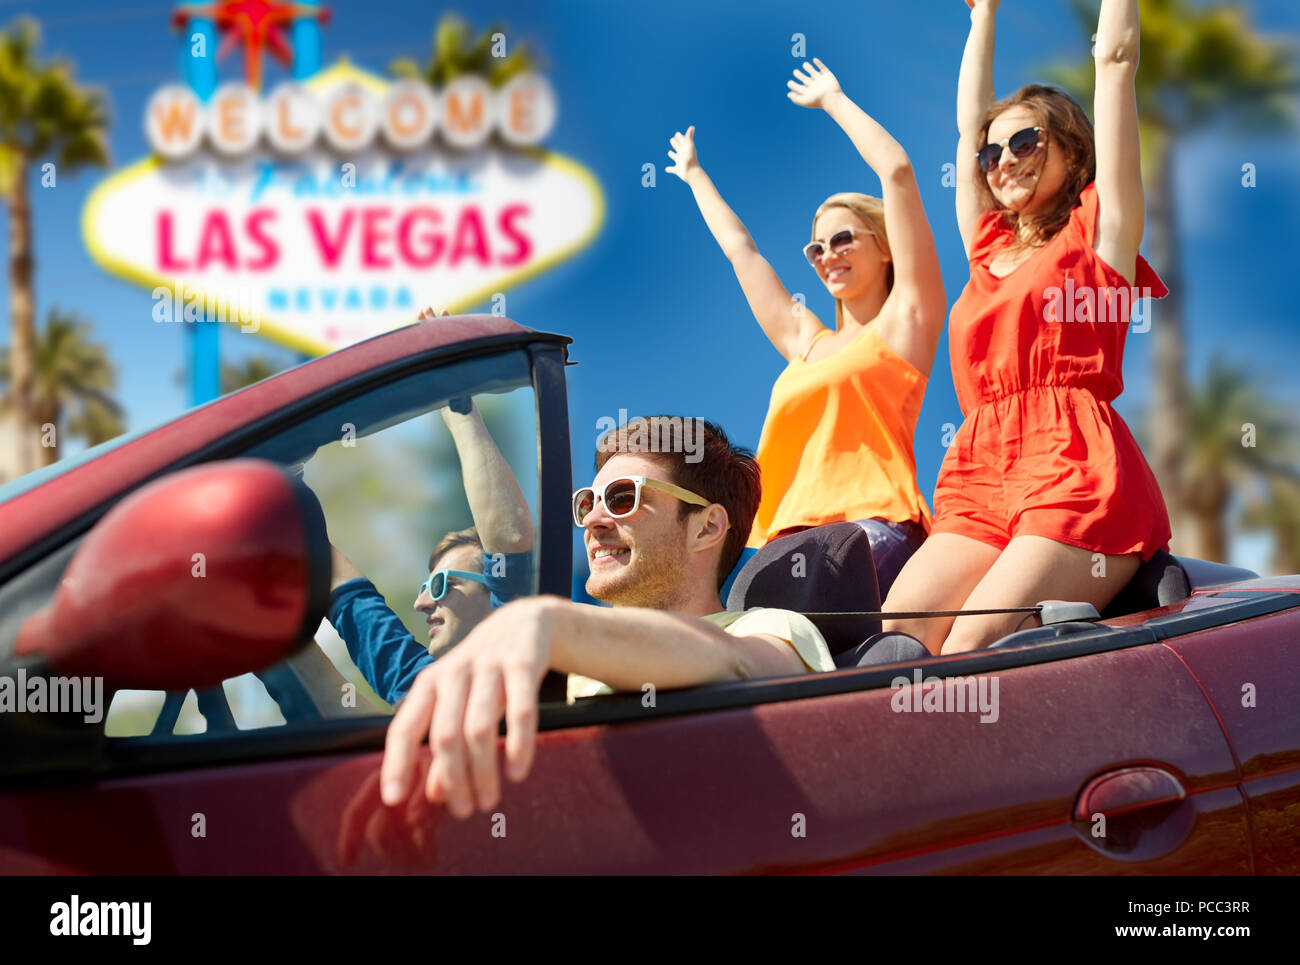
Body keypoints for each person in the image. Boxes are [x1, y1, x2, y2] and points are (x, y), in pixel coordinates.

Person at [882, 0, 1170, 655]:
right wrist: (982, 17)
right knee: (899, 632)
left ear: (1073, 150)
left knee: (973, 645)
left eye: (1025, 142)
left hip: (1073, 464)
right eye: (993, 152)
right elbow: (965, 130)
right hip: (981, 467)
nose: (1003, 160)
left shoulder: (1102, 232)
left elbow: (1117, 62)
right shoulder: (984, 245)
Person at [378, 416, 834, 819]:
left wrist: (549, 622)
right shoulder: (565, 662)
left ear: (706, 527)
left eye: (622, 498)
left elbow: (741, 665)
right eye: (587, 502)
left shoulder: (766, 629)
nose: (593, 520)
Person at [666, 57, 946, 596]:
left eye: (844, 239)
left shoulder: (907, 321)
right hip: (786, 540)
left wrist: (833, 101)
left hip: (872, 531)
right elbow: (741, 252)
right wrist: (695, 176)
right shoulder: (805, 341)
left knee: (809, 601)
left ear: (885, 249)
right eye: (816, 247)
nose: (827, 256)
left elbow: (898, 173)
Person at [327, 311, 535, 704]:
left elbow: (508, 537)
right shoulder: (416, 681)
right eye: (426, 587)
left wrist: (456, 400)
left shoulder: (520, 660)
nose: (422, 603)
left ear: (498, 592)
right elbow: (352, 601)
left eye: (440, 585)